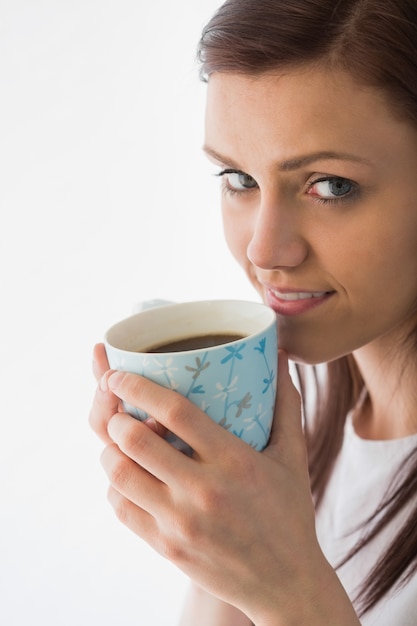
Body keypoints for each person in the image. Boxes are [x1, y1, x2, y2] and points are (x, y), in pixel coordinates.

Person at [89, 0, 417, 623]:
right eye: (239, 179)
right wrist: (220, 538)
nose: (264, 250)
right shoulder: (301, 430)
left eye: (331, 185)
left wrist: (288, 592)